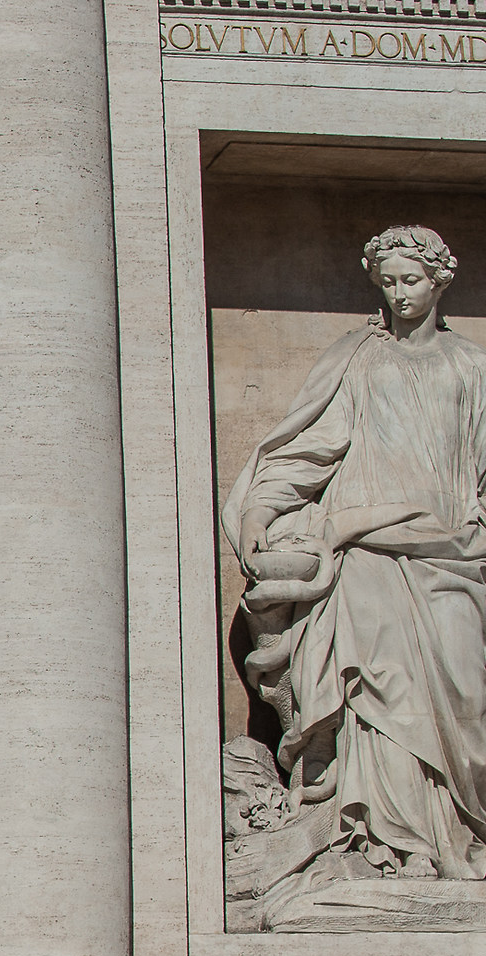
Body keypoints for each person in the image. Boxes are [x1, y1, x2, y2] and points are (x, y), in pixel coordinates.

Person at [225, 224, 486, 885]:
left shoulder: (472, 365)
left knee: (465, 692)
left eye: (412, 280)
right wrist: (259, 511)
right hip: (366, 552)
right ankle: (395, 843)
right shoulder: (357, 358)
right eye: (388, 282)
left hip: (452, 551)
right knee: (378, 691)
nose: (400, 294)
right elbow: (309, 448)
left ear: (440, 282)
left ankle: (459, 832)